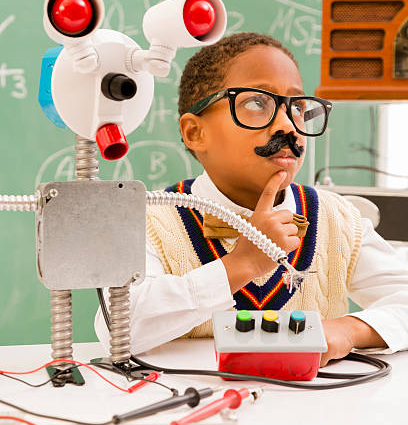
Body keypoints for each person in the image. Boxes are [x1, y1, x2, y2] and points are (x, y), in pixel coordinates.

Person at [95, 32, 408, 366]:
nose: (289, 126)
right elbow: (118, 327)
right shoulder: (150, 218)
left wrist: (350, 329)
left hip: (313, 413)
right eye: (257, 103)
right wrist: (241, 265)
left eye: (298, 107)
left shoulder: (337, 218)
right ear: (195, 133)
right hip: (196, 410)